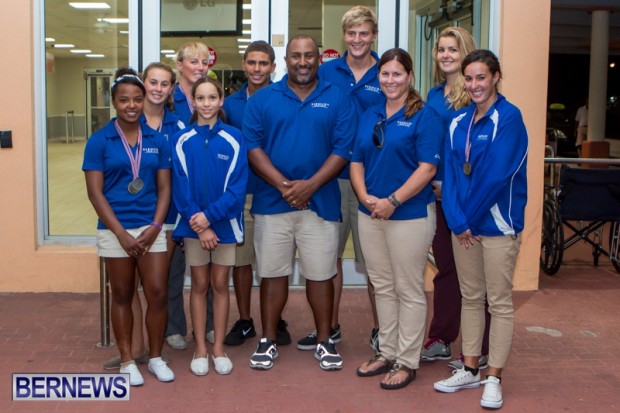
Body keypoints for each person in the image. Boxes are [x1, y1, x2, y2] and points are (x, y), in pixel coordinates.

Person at [243, 34, 355, 371]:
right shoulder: (263, 100)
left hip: (320, 203)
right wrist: (285, 186)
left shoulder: (337, 98)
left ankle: (324, 340)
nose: (302, 62)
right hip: (271, 202)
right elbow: (253, 148)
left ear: (319, 58)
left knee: (320, 275)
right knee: (272, 273)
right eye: (296, 56)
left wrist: (310, 186)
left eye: (309, 55)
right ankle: (267, 340)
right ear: (286, 60)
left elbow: (342, 149)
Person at [433, 49, 528, 410]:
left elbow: (498, 176)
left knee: (499, 302)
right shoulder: (459, 123)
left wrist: (466, 219)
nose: (474, 85)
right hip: (464, 226)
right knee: (471, 298)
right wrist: (456, 220)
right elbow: (452, 178)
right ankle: (469, 367)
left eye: (480, 78)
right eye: (468, 78)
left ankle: (494, 377)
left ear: (496, 77)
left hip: (496, 225)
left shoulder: (510, 118)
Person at [296, 4, 384, 353]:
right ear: (343, 36)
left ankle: (382, 330)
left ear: (373, 35)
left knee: (375, 263)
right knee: (327, 258)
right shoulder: (327, 70)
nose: (358, 39)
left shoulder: (387, 71)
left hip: (374, 181)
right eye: (352, 33)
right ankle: (329, 329)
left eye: (364, 33)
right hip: (332, 179)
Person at [351, 48, 440, 390]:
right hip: (370, 212)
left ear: (410, 77)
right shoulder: (370, 112)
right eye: (385, 74)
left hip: (409, 215)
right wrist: (363, 197)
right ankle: (386, 351)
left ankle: (407, 360)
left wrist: (392, 201)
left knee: (408, 289)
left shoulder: (424, 115)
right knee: (383, 286)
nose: (390, 80)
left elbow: (427, 167)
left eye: (397, 74)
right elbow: (356, 159)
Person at [83, 68, 174, 386]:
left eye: (137, 99)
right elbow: (95, 193)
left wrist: (156, 226)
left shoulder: (158, 140)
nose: (132, 105)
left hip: (151, 228)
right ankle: (126, 361)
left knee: (158, 294)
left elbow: (165, 188)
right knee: (121, 293)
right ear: (114, 102)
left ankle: (156, 357)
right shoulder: (99, 141)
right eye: (124, 100)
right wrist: (121, 234)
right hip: (114, 230)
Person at [421, 26, 491, 370]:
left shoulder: (476, 95)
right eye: (441, 50)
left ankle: (483, 346)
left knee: (476, 274)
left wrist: (450, 185)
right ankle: (441, 338)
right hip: (436, 198)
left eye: (453, 49)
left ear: (466, 53)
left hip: (468, 198)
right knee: (446, 269)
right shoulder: (432, 95)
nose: (445, 55)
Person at [171, 77, 247, 376]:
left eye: (211, 98)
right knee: (199, 286)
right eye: (200, 98)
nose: (206, 104)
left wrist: (211, 218)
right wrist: (199, 225)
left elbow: (237, 189)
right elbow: (180, 187)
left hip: (225, 227)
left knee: (219, 285)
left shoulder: (235, 138)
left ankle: (218, 349)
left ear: (221, 100)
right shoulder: (182, 139)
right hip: (193, 227)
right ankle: (201, 347)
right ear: (194, 101)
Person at [222, 40, 291, 347]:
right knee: (242, 260)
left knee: (274, 263)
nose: (257, 69)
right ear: (244, 65)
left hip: (276, 192)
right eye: (252, 62)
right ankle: (246, 320)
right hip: (242, 192)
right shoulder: (230, 105)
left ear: (274, 67)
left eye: (264, 63)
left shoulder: (286, 98)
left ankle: (275, 320)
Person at [141, 62, 188, 351]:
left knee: (170, 275)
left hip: (171, 215)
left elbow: (183, 173)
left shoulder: (179, 125)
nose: (158, 89)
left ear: (171, 88)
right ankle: (138, 338)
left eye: (164, 83)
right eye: (153, 82)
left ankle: (173, 329)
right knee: (144, 279)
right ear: (143, 83)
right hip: (136, 214)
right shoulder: (129, 123)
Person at [172, 41, 215, 344]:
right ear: (180, 65)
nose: (200, 68)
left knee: (208, 270)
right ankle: (174, 327)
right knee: (173, 269)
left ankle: (210, 323)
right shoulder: (166, 99)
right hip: (177, 195)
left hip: (208, 195)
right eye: (194, 62)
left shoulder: (209, 97)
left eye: (204, 63)